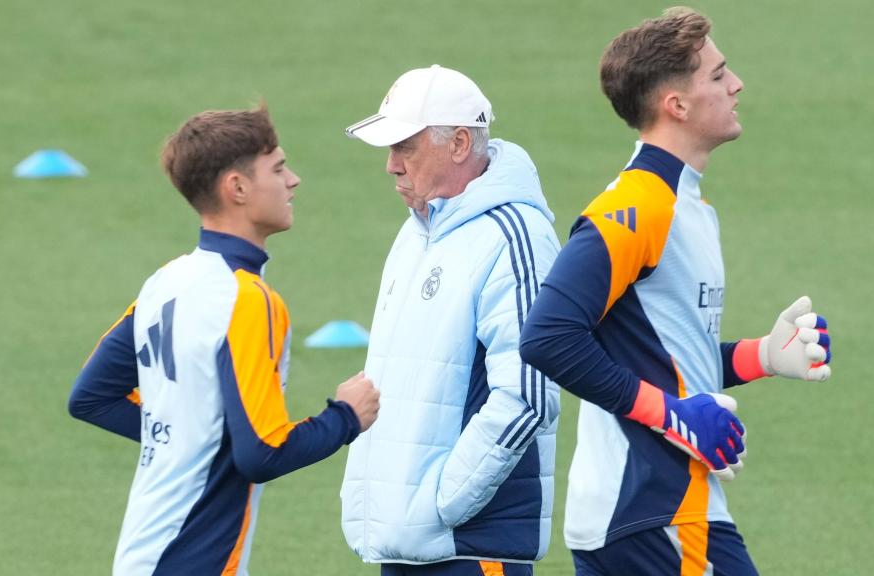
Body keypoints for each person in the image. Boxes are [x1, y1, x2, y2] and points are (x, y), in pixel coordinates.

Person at [519, 8, 833, 575]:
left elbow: (660, 356)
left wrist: (761, 355)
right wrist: (672, 415)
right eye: (717, 75)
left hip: (654, 513)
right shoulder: (637, 207)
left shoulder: (688, 206)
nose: (736, 85)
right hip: (654, 513)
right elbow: (547, 336)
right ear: (676, 106)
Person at [68, 104, 380, 576]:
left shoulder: (166, 281)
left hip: (141, 556)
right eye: (277, 169)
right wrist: (345, 418)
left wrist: (188, 441)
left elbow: (91, 398)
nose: (292, 180)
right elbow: (263, 452)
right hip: (195, 561)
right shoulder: (250, 300)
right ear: (236, 188)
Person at [340, 65, 562, 576]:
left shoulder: (514, 235)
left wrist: (444, 505)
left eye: (405, 147)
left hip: (470, 548)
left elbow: (528, 395)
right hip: (411, 545)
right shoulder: (418, 231)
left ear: (460, 142)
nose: (391, 166)